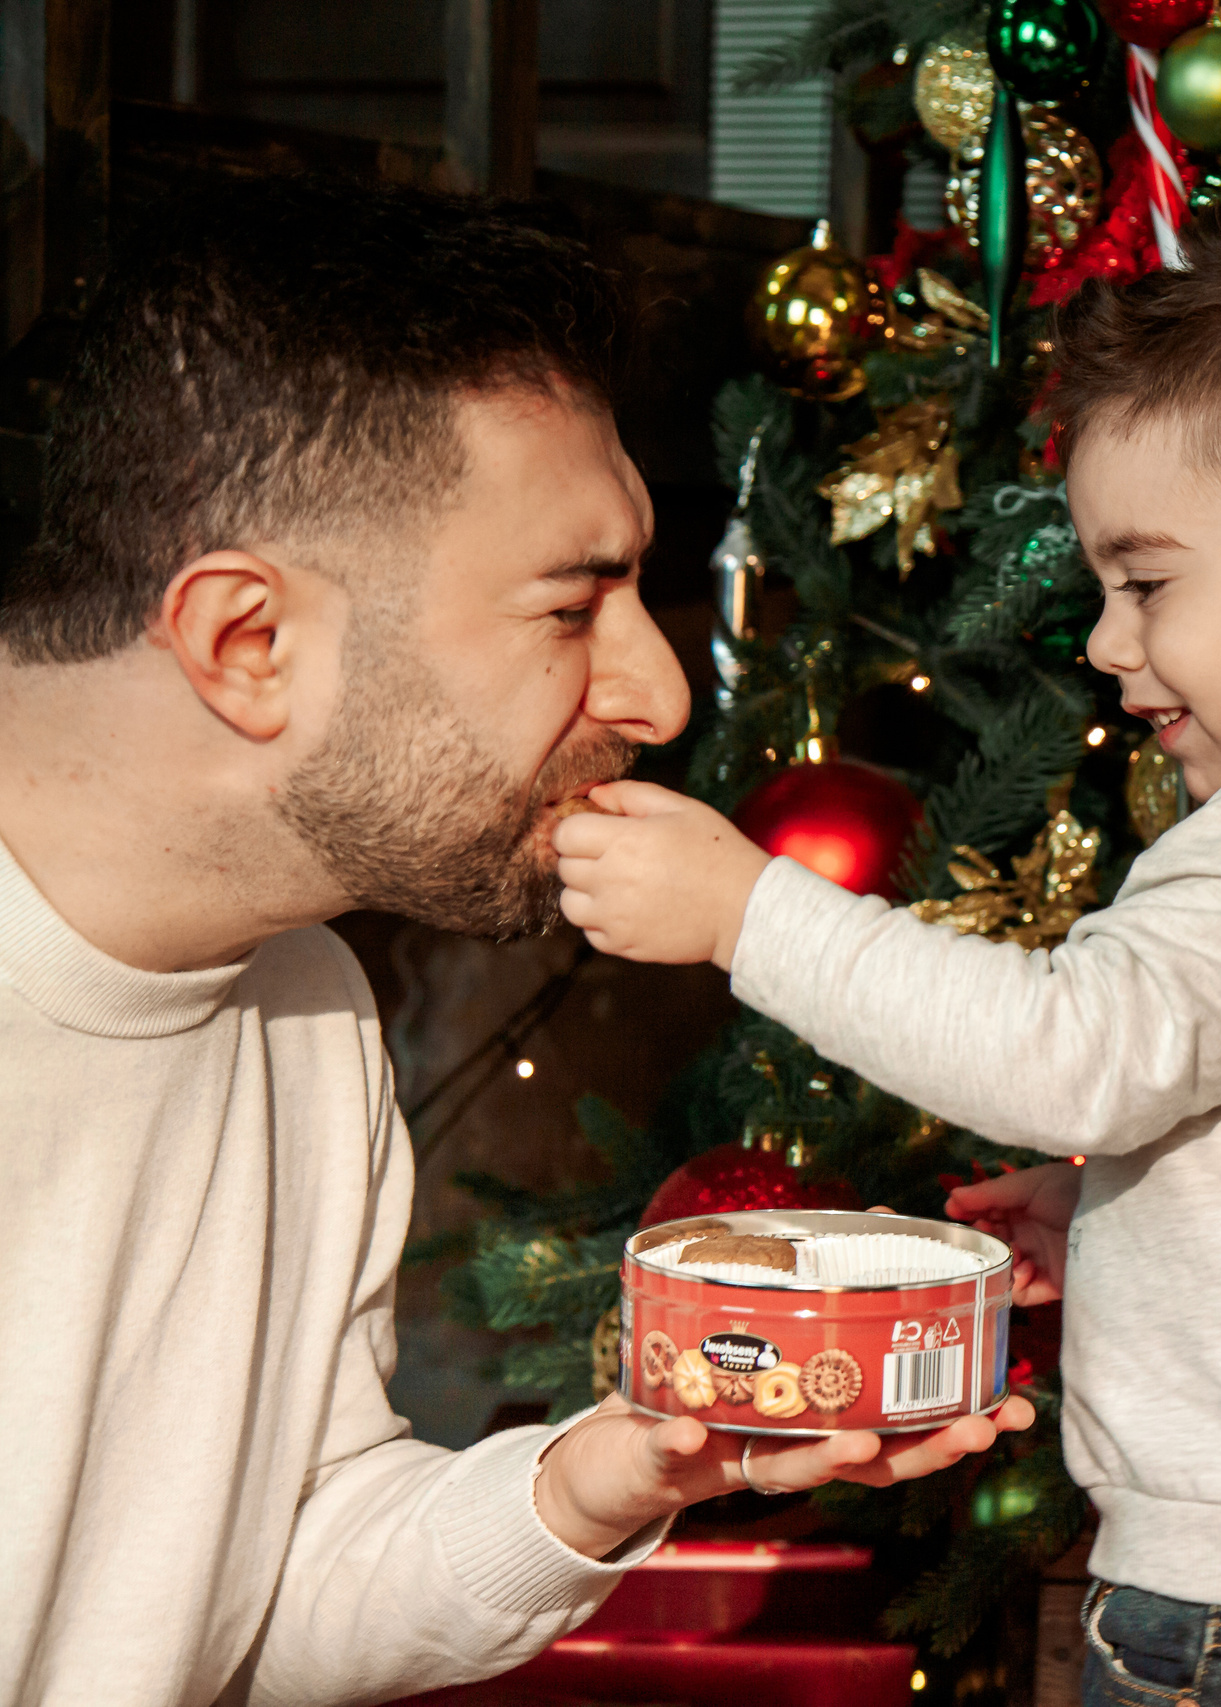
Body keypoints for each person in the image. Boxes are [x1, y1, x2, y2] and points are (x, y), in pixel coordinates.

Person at [0, 177, 1028, 1707]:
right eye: (573, 603)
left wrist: (605, 1481)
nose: (660, 700)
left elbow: (254, 1590)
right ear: (248, 644)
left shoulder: (306, 1005)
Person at [551, 209, 1221, 1707]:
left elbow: (1072, 1050)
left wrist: (747, 914)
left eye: (1150, 583)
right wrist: (1137, 1218)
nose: (1106, 642)